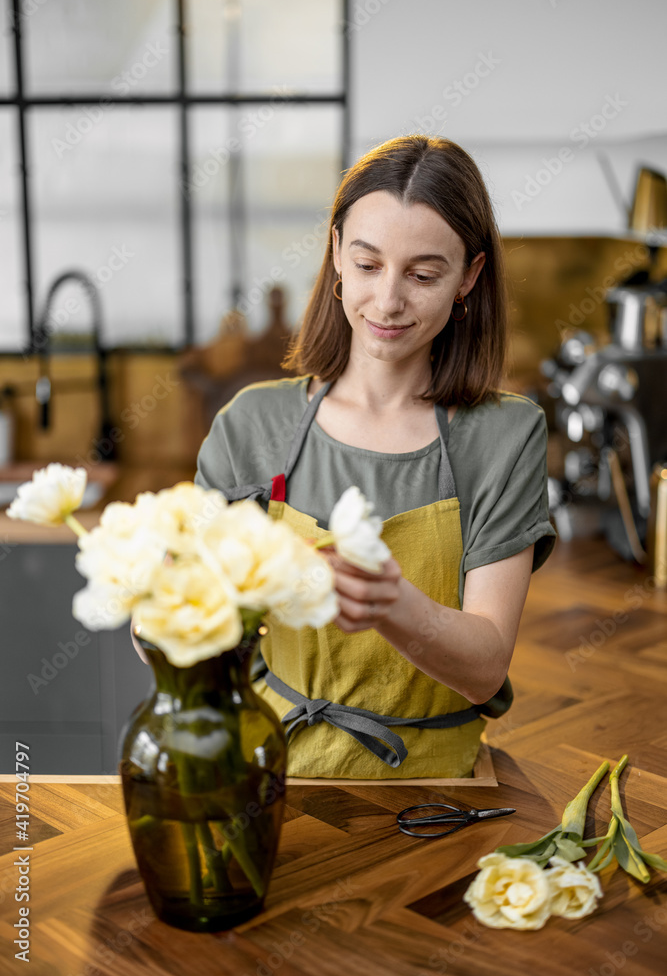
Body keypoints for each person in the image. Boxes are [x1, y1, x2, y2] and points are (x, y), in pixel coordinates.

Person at [141, 135, 557, 780]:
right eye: (367, 265)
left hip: (436, 790)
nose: (388, 302)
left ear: (469, 276)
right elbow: (189, 633)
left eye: (422, 275)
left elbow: (483, 670)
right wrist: (159, 610)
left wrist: (391, 605)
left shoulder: (506, 436)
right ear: (336, 252)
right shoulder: (253, 423)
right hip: (270, 774)